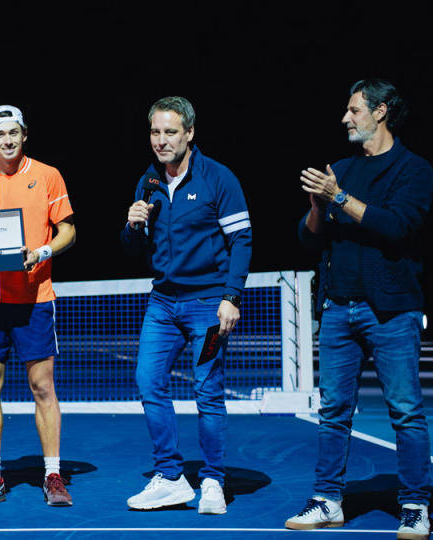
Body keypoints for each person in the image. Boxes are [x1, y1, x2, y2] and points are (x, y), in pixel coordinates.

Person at [285, 79, 433, 539]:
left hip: (391, 312)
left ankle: (414, 504)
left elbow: (397, 226)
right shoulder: (342, 169)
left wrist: (339, 198)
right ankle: (327, 499)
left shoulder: (414, 169)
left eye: (353, 110)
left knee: (405, 411)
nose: (345, 118)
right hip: (337, 309)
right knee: (333, 412)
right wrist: (316, 206)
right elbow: (310, 238)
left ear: (380, 111)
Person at [120, 96, 252, 514]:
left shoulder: (219, 178)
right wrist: (132, 224)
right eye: (156, 132)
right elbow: (132, 248)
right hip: (162, 305)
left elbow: (242, 241)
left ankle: (213, 481)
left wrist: (231, 297)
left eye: (170, 132)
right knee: (148, 383)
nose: (161, 141)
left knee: (208, 392)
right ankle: (171, 478)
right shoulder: (149, 182)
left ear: (190, 133)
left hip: (209, 306)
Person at [0, 105, 76, 507]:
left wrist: (42, 251)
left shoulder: (48, 175)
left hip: (34, 298)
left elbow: (68, 231)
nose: (7, 140)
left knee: (42, 386)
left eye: (14, 133)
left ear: (24, 136)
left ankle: (53, 475)